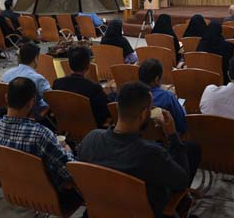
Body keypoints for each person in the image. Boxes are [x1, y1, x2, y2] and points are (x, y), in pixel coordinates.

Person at [78, 81, 199, 218]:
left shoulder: (91, 139)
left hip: (103, 210)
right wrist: (172, 135)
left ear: (118, 107)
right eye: (150, 108)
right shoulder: (152, 154)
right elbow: (182, 181)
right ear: (144, 113)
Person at [0, 77, 77, 195]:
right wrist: (67, 149)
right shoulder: (40, 134)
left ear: (6, 97)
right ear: (31, 102)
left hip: (12, 187)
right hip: (47, 194)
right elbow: (69, 173)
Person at [53, 46, 111, 127]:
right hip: (92, 129)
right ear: (88, 66)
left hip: (67, 128)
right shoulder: (94, 88)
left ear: (69, 65)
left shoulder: (57, 84)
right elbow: (106, 112)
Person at [2, 42, 51, 118]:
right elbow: (52, 100)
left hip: (8, 113)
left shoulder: (6, 74)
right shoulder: (38, 79)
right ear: (35, 58)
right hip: (32, 116)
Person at [138, 58, 187, 134]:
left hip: (139, 136)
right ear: (157, 79)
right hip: (167, 138)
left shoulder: (130, 95)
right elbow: (182, 125)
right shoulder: (167, 96)